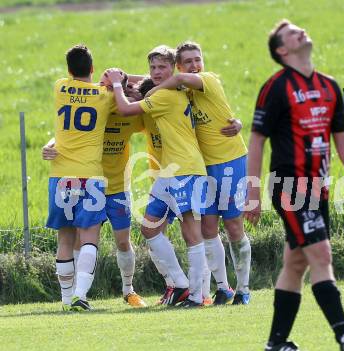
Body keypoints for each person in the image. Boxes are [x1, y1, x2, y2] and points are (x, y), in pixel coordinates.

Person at [245, 20, 344, 351]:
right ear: (282, 50)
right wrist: (253, 192)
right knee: (321, 255)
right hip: (290, 186)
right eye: (292, 33)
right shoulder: (275, 87)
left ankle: (276, 343)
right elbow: (256, 141)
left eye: (301, 29)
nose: (301, 32)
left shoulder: (329, 86)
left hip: (320, 188)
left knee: (296, 263)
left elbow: (342, 137)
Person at [146, 41, 251, 305]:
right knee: (208, 228)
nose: (195, 65)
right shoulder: (180, 91)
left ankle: (244, 289)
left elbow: (176, 78)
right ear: (180, 65)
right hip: (203, 167)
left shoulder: (207, 80)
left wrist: (155, 88)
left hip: (230, 160)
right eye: (189, 61)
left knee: (234, 225)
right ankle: (223, 288)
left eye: (198, 59)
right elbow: (166, 78)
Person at [106, 46, 208, 307]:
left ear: (173, 69)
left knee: (192, 233)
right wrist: (130, 82)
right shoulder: (167, 90)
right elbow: (145, 87)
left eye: (163, 67)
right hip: (168, 173)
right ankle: (180, 284)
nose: (156, 72)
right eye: (153, 67)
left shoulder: (166, 95)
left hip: (185, 169)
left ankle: (198, 295)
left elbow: (128, 110)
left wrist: (118, 85)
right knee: (149, 228)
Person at [43, 75, 154, 308]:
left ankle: (128, 290)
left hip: (116, 188)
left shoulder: (130, 115)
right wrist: (51, 144)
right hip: (91, 183)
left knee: (123, 242)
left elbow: (155, 116)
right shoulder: (99, 105)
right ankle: (77, 294)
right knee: (80, 241)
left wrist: (137, 90)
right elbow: (72, 131)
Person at [46, 44, 114, 311]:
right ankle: (80, 295)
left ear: (68, 70)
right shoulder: (104, 96)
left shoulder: (60, 87)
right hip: (91, 175)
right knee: (89, 237)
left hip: (61, 174)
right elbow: (117, 89)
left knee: (65, 237)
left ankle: (65, 300)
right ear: (93, 69)